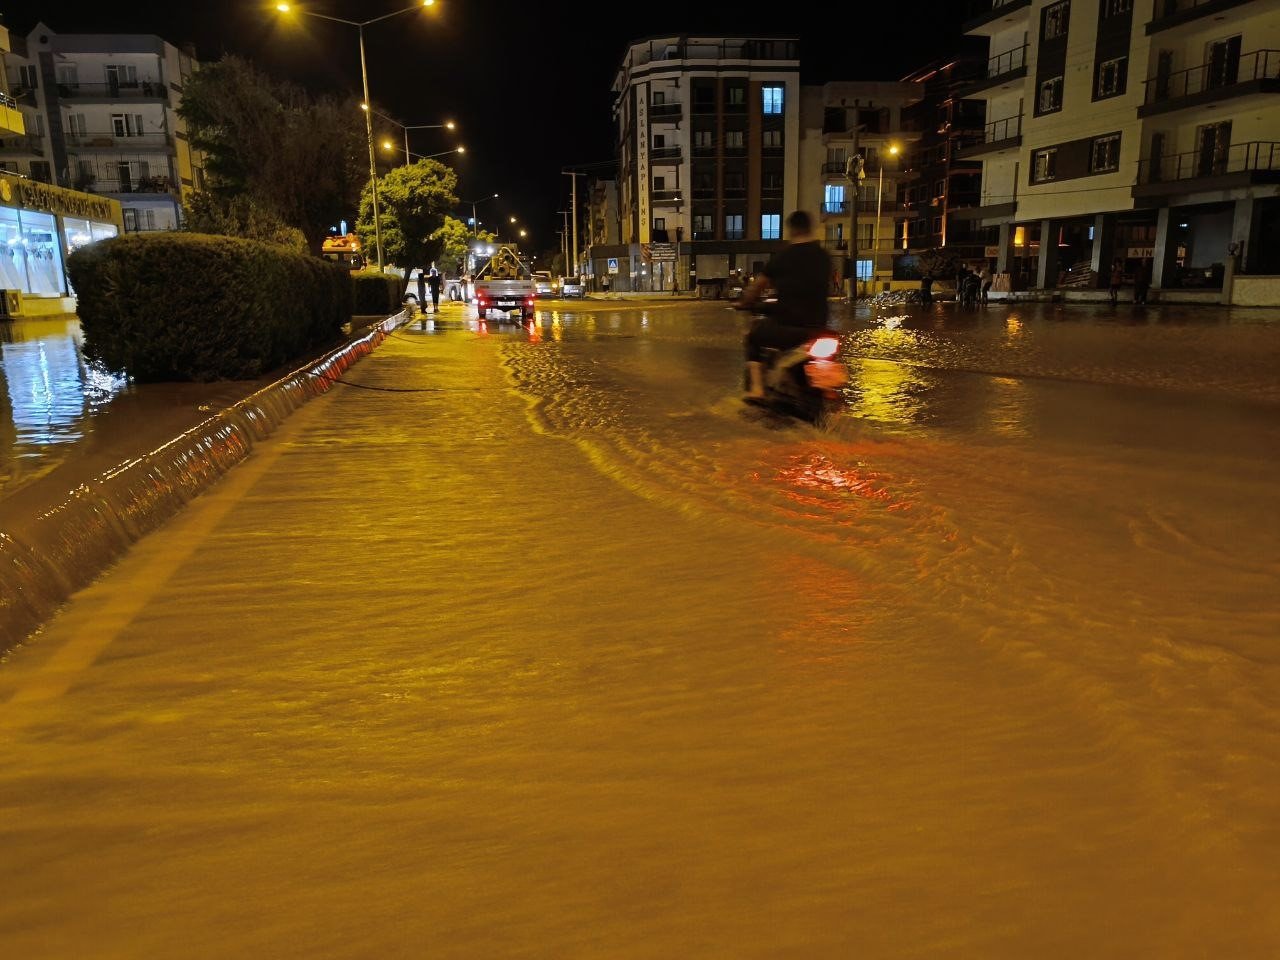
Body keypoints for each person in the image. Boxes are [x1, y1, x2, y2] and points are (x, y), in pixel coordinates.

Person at [734, 210, 832, 401]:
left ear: (791, 230)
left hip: (791, 329)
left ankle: (757, 389)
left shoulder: (783, 257)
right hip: (819, 328)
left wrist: (744, 302)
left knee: (753, 336)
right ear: (810, 228)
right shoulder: (823, 256)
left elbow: (756, 287)